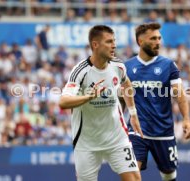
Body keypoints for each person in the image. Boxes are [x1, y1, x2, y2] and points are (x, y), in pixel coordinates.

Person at [59, 25, 143, 181]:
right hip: (87, 142)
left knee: (134, 179)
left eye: (114, 41)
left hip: (116, 137)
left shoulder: (118, 66)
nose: (114, 45)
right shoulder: (80, 71)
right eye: (109, 42)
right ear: (95, 45)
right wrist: (87, 97)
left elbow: (126, 85)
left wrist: (133, 114)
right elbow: (63, 102)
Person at [124, 23, 190, 181]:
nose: (158, 42)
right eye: (153, 38)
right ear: (140, 42)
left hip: (163, 132)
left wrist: (187, 120)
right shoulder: (127, 67)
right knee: (132, 171)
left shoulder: (168, 65)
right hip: (137, 130)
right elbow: (122, 99)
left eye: (159, 38)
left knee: (169, 175)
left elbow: (180, 95)